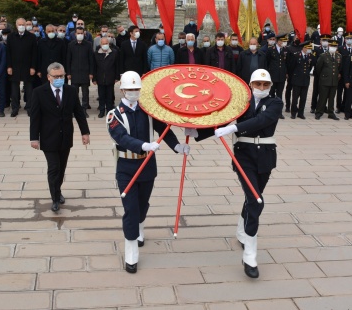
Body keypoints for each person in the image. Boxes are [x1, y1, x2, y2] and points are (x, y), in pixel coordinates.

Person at [194, 68, 282, 278]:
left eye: (265, 85)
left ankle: (242, 230)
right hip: (244, 156)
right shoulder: (242, 102)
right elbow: (222, 119)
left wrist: (234, 128)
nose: (261, 88)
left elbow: (262, 121)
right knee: (256, 200)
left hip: (266, 157)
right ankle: (250, 255)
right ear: (250, 85)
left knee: (253, 197)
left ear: (270, 86)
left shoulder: (275, 103)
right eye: (257, 84)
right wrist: (197, 131)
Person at [107, 71, 185, 274]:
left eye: (137, 89)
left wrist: (177, 146)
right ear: (122, 90)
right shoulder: (113, 115)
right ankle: (131, 252)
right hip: (126, 167)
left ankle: (140, 227)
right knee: (131, 210)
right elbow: (121, 138)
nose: (134, 92)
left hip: (148, 166)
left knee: (143, 206)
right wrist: (143, 145)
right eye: (130, 89)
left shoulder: (148, 110)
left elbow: (163, 128)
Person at [30, 62, 90, 212]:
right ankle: (55, 198)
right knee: (54, 168)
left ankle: (58, 190)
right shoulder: (39, 92)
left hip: (65, 136)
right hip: (48, 137)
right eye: (56, 76)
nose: (59, 78)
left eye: (61, 76)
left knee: (61, 168)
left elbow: (79, 113)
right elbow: (35, 117)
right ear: (49, 77)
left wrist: (85, 132)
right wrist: (34, 138)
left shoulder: (71, 91)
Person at [6, 18, 38, 117]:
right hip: (14, 66)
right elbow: (8, 52)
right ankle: (15, 108)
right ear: (16, 25)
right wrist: (9, 66)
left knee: (29, 89)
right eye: (19, 24)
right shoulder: (11, 36)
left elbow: (34, 54)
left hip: (27, 66)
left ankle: (29, 107)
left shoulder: (31, 37)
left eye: (23, 24)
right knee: (15, 90)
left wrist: (33, 67)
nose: (21, 26)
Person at [66, 26, 95, 116]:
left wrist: (91, 72)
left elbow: (91, 60)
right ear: (75, 34)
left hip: (85, 72)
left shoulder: (88, 44)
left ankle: (84, 110)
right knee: (74, 93)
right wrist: (68, 73)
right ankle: (75, 110)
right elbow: (68, 60)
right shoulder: (71, 45)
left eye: (81, 33)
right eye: (78, 33)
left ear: (84, 34)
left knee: (85, 93)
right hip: (74, 73)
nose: (80, 35)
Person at [314, 40, 342, 120]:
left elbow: (339, 67)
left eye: (335, 46)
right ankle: (319, 112)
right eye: (332, 46)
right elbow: (318, 68)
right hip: (325, 80)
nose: (333, 48)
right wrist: (323, 76)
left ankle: (331, 113)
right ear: (329, 46)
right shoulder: (323, 56)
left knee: (332, 98)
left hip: (334, 80)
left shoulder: (339, 56)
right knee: (322, 97)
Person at [93, 37, 119, 118]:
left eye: (106, 43)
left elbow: (117, 65)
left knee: (109, 96)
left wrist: (117, 77)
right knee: (101, 96)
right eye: (103, 43)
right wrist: (94, 78)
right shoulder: (96, 53)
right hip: (100, 78)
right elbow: (94, 66)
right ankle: (101, 111)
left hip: (110, 77)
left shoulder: (114, 52)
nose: (105, 45)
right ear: (100, 45)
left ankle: (109, 111)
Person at [287, 41, 315, 119]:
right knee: (295, 98)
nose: (309, 50)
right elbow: (291, 67)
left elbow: (310, 67)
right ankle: (293, 113)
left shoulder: (310, 57)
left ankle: (300, 113)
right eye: (307, 48)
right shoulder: (296, 56)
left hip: (305, 79)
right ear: (303, 48)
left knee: (303, 98)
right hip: (297, 79)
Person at [265, 33, 288, 119]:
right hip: (272, 76)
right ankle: (269, 111)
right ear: (278, 41)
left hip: (281, 76)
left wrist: (286, 73)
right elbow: (267, 62)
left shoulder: (285, 50)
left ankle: (279, 112)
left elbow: (287, 63)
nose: (283, 43)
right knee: (271, 94)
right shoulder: (271, 50)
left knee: (279, 94)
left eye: (284, 41)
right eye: (282, 41)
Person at [310, 34, 331, 114]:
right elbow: (314, 61)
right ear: (320, 41)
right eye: (323, 40)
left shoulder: (330, 50)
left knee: (325, 91)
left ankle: (323, 106)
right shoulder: (317, 50)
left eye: (327, 41)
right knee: (316, 91)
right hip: (318, 74)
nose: (325, 42)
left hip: (327, 75)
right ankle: (313, 106)